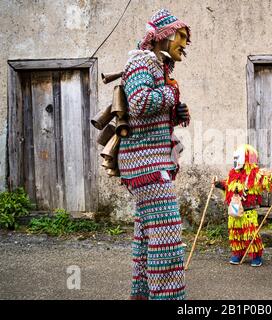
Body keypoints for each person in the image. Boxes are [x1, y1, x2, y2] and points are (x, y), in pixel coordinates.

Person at [118, 8, 191, 300]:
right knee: (167, 240)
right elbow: (138, 102)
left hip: (149, 162)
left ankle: (143, 295)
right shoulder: (142, 62)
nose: (184, 44)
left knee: (147, 236)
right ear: (163, 37)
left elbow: (149, 117)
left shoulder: (157, 66)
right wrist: (171, 97)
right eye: (181, 37)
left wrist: (176, 112)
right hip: (145, 164)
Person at [214, 144, 272, 267]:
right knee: (235, 233)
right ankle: (237, 253)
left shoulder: (255, 175)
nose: (235, 161)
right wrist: (218, 184)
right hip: (234, 208)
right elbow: (228, 186)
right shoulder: (233, 174)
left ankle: (256, 256)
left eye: (237, 158)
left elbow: (267, 180)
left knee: (250, 234)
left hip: (248, 211)